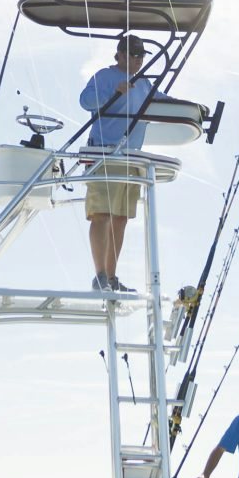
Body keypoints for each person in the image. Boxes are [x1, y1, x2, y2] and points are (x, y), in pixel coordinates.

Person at [76, 35, 155, 290]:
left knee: (120, 217)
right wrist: (114, 91)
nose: (137, 60)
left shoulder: (144, 83)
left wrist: (195, 111)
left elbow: (163, 101)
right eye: (132, 55)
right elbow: (85, 101)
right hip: (104, 154)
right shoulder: (104, 77)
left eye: (140, 56)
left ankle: (111, 277)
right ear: (119, 55)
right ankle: (99, 276)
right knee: (102, 214)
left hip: (131, 159)